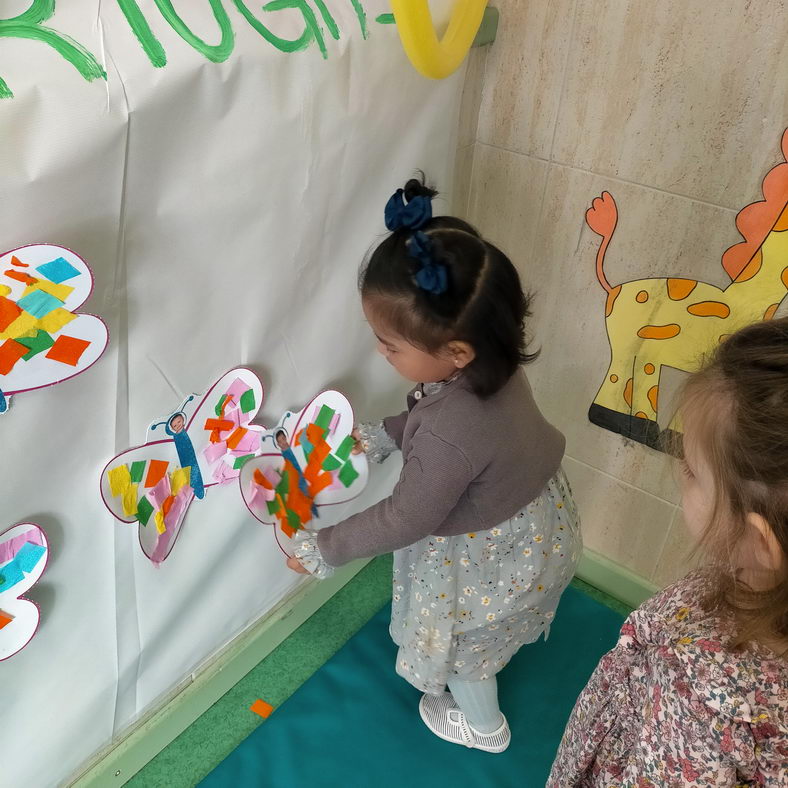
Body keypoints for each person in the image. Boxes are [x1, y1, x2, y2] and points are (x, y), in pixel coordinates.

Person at [286, 177, 582, 753]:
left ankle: (484, 728)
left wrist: (321, 548)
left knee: (465, 652)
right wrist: (386, 435)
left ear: (455, 352)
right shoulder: (494, 371)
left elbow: (404, 517)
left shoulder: (450, 432)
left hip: (485, 555)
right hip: (539, 525)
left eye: (390, 345)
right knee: (490, 633)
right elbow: (449, 432)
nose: (380, 352)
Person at [548, 317, 788, 785]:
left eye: (693, 469)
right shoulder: (749, 575)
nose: (679, 471)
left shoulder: (701, 700)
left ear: (760, 541)